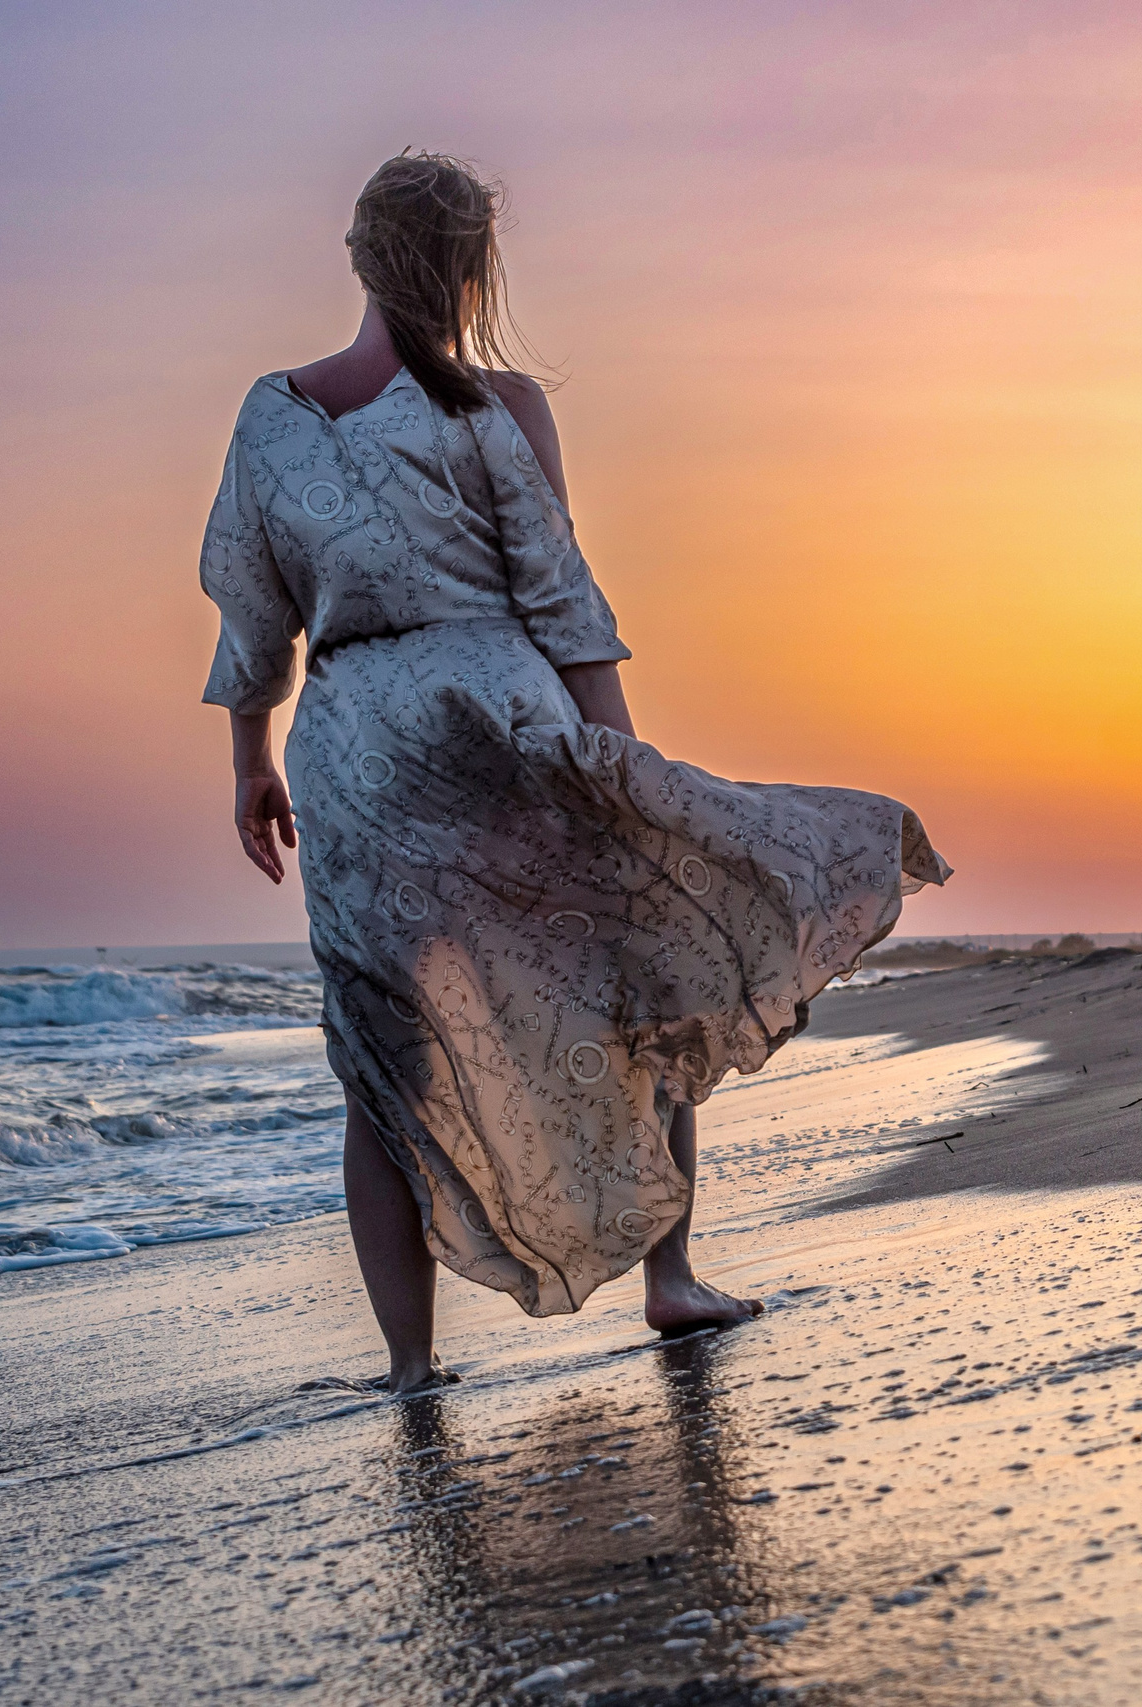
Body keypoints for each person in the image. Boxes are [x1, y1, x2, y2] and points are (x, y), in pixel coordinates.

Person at [199, 151, 946, 1395]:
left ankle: (408, 1362)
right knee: (633, 976)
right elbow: (562, 602)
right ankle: (670, 1281)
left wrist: (247, 762)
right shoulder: (497, 405)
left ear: (354, 254)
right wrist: (628, 772)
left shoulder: (271, 415)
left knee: (384, 1051)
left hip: (358, 751)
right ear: (476, 263)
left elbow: (251, 609)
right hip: (502, 722)